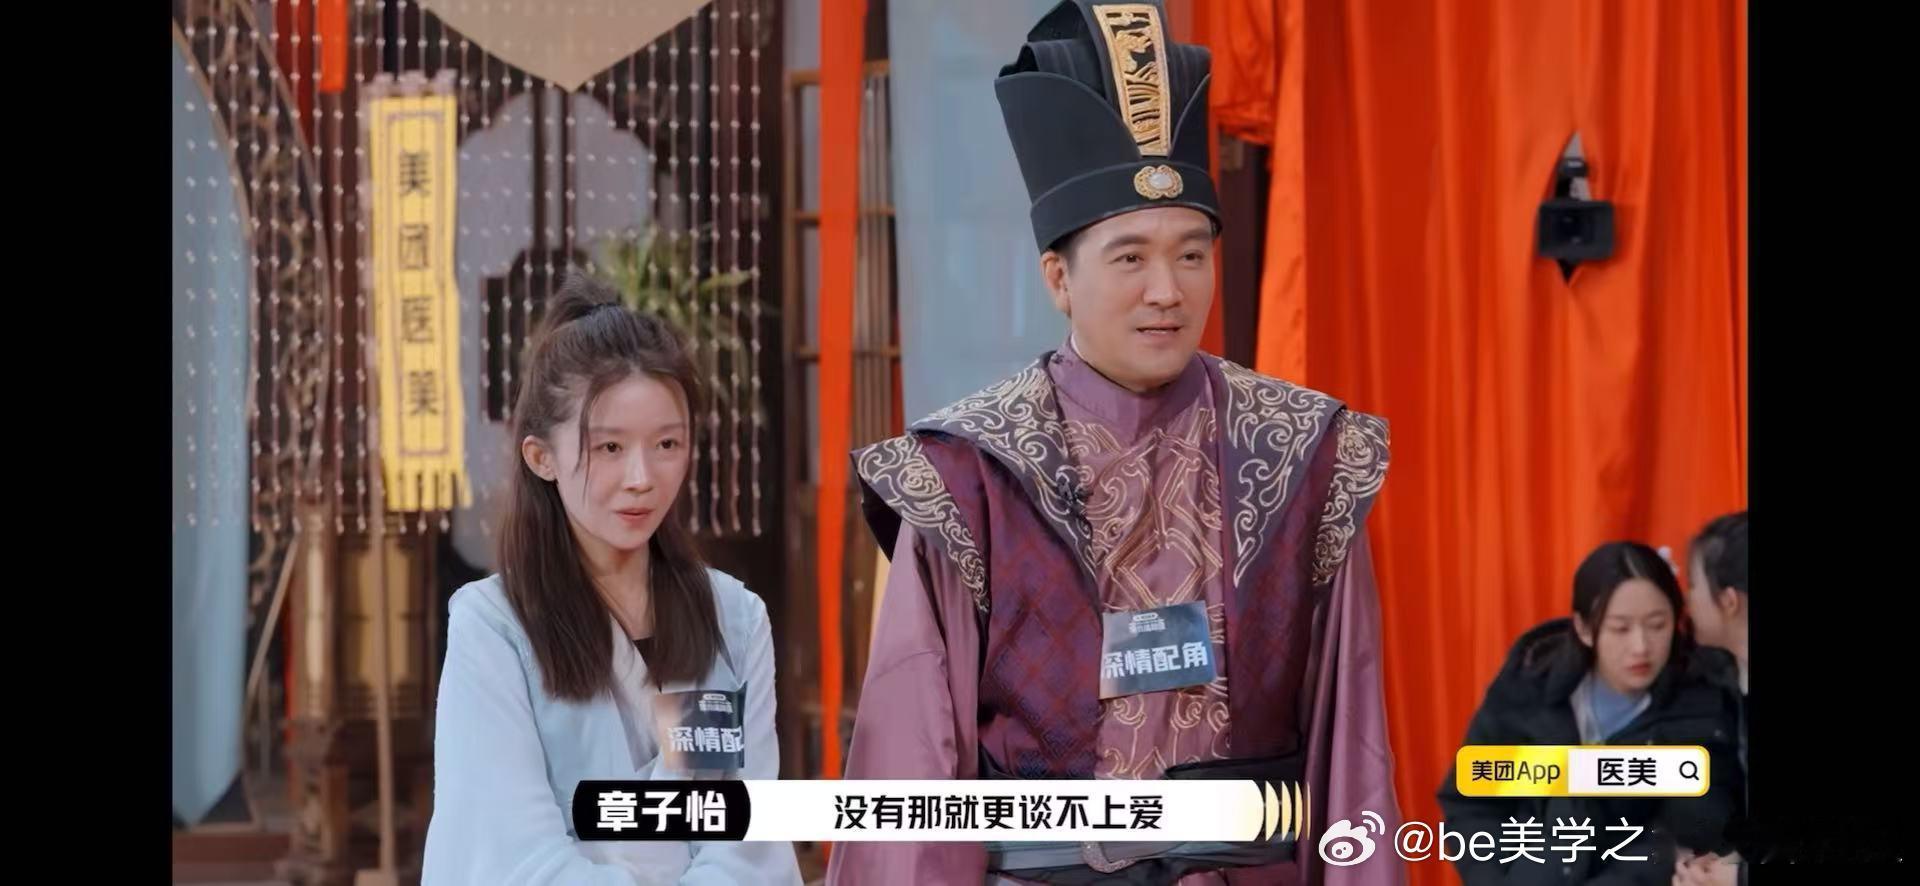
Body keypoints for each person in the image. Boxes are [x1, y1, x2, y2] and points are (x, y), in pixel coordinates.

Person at [827, 2, 1404, 883]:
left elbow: (1352, 750)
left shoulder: (1299, 455)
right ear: (1058, 277)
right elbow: (911, 767)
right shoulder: (970, 474)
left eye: (1192, 255)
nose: (1166, 290)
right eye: (1130, 257)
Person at [422, 277, 800, 884]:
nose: (642, 477)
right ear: (541, 457)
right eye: (610, 448)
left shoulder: (734, 618)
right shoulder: (494, 628)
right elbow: (514, 857)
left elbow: (747, 844)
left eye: (667, 443)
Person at [1438, 542, 1745, 885]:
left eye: (1657, 625)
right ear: (1584, 628)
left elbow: (1691, 830)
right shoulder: (1531, 686)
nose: (1641, 646)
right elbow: (1472, 802)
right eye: (1620, 628)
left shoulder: (1703, 705)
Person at [1674, 511, 1750, 886]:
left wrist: (1737, 877)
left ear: (1728, 600)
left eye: (1693, 586)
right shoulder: (1726, 677)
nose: (1687, 600)